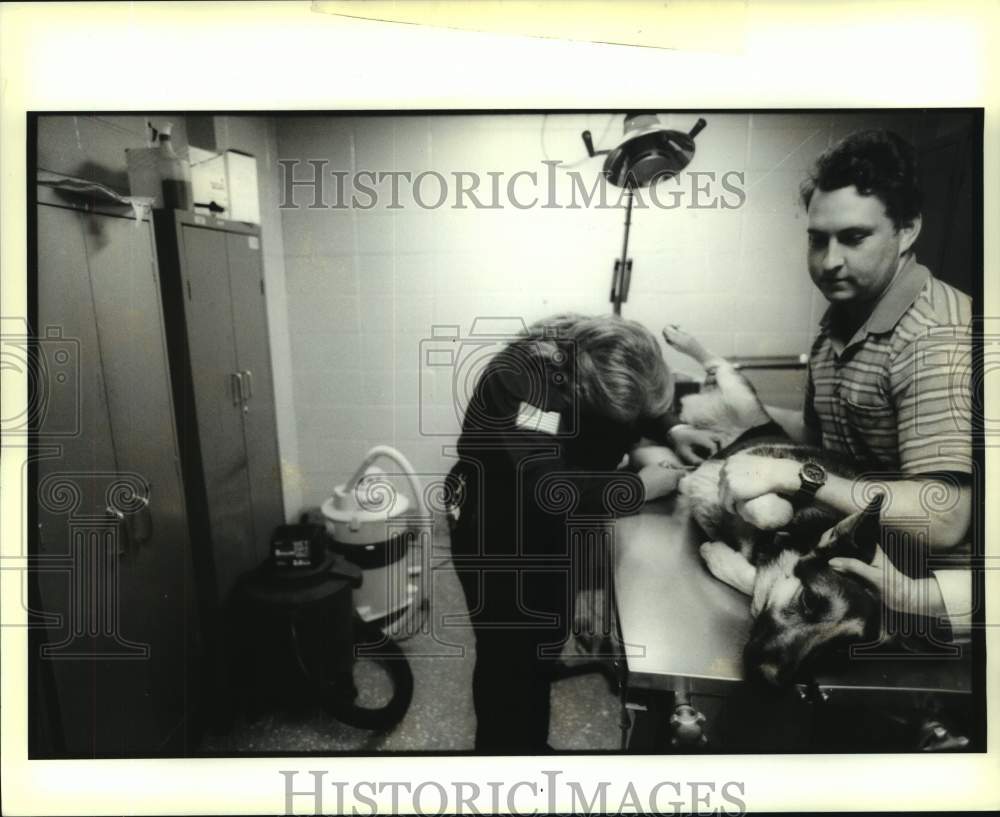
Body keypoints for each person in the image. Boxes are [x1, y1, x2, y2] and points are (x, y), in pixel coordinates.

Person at [446, 313, 704, 752]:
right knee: (509, 653)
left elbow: (643, 401)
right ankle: (505, 755)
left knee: (543, 639)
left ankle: (527, 735)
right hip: (495, 526)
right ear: (583, 386)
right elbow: (544, 487)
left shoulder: (604, 353)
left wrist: (673, 429)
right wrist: (638, 487)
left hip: (548, 524)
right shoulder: (520, 379)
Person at [716, 129, 973, 551]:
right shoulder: (840, 322)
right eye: (818, 239)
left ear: (907, 230)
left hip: (929, 592)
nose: (830, 262)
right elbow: (827, 442)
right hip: (856, 553)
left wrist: (791, 476)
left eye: (854, 238)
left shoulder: (936, 337)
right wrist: (738, 422)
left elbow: (944, 517)